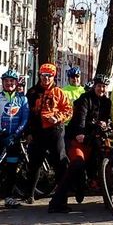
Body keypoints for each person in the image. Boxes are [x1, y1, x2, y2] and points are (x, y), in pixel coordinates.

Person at [51, 74, 112, 213]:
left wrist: (105, 124)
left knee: (103, 157)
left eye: (103, 86)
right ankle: (57, 201)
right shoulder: (85, 99)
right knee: (77, 163)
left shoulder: (106, 102)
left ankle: (95, 185)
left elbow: (105, 118)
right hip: (78, 137)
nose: (101, 89)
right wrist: (80, 132)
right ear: (94, 86)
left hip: (94, 137)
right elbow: (80, 118)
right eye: (99, 86)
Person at [26, 63, 74, 206]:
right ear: (39, 75)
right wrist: (28, 132)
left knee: (60, 161)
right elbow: (27, 113)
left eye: (49, 76)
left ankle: (61, 196)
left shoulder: (59, 92)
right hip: (37, 131)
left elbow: (68, 110)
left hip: (55, 130)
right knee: (34, 163)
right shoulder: (32, 92)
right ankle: (30, 194)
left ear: (53, 77)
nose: (46, 78)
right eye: (43, 75)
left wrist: (57, 117)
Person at [0, 68, 29, 207]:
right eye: (6, 81)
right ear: (2, 82)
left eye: (12, 81)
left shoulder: (22, 99)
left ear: (16, 83)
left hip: (13, 138)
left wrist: (17, 133)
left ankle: (9, 197)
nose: (9, 83)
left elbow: (24, 119)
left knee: (12, 168)